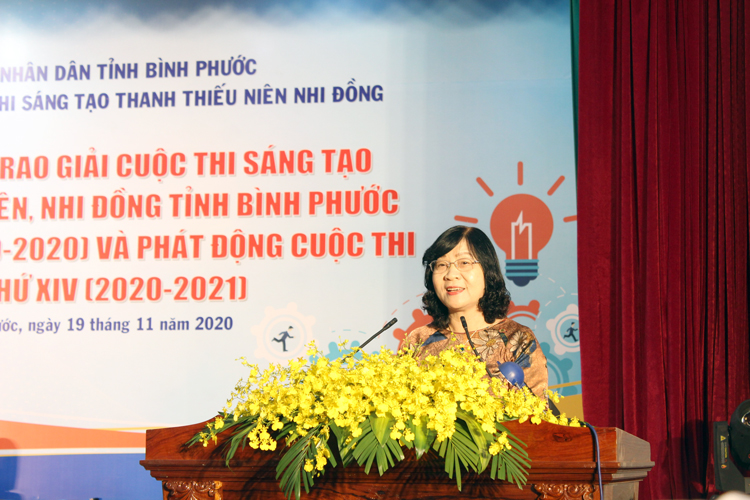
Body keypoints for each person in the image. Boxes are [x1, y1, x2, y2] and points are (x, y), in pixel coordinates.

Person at [403, 225, 549, 398]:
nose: (451, 274)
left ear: (487, 271)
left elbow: (535, 411)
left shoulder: (517, 339)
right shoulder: (418, 340)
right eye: (441, 264)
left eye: (464, 263)